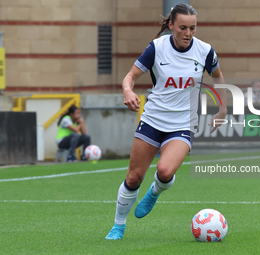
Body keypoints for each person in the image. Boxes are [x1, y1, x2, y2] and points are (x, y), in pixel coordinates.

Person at [105, 3, 227, 240]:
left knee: (164, 170)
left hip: (182, 124)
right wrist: (128, 92)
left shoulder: (204, 51)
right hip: (152, 120)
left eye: (192, 28)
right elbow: (129, 77)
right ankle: (118, 225)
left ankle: (154, 192)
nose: (188, 34)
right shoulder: (156, 48)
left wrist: (222, 108)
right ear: (171, 25)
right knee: (133, 177)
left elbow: (218, 76)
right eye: (183, 28)